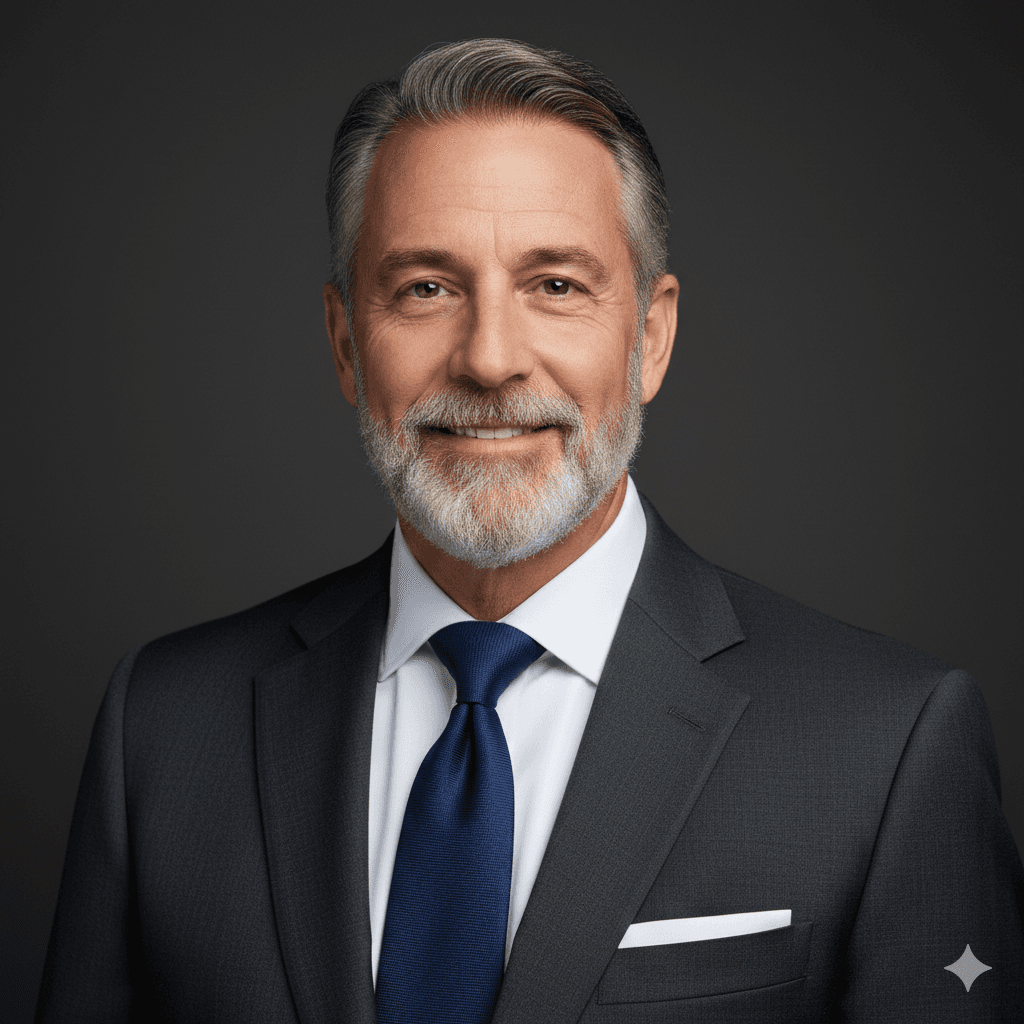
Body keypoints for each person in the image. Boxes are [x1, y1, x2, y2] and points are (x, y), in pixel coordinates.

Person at [36, 37, 1022, 1024]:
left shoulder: (885, 743)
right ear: (345, 344)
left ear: (650, 338)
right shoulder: (163, 727)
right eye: (426, 287)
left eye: (555, 285)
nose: (490, 359)